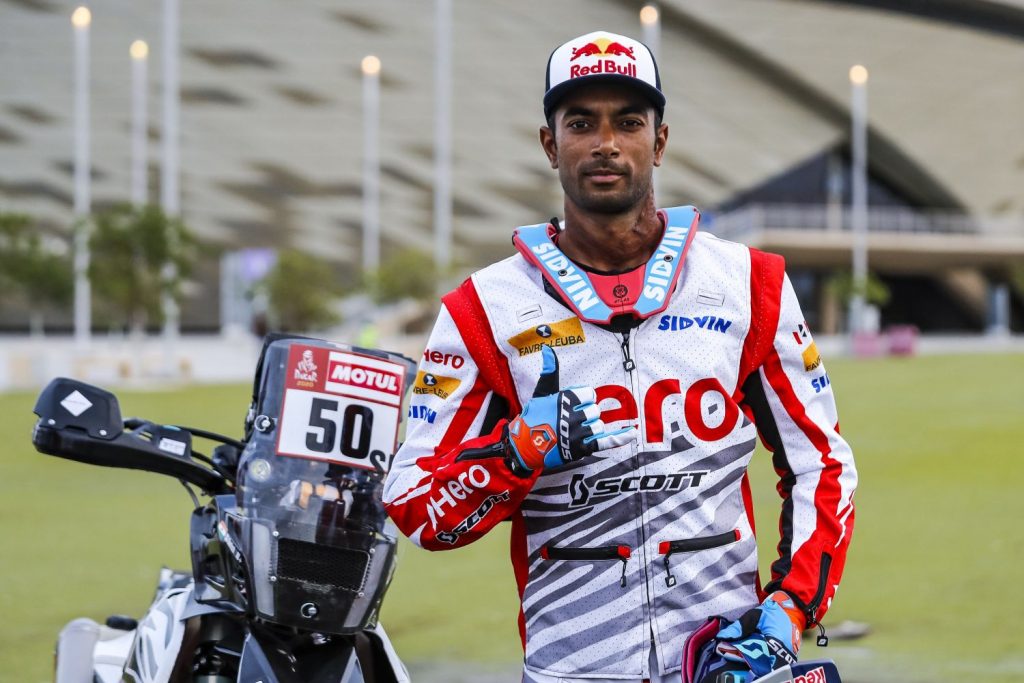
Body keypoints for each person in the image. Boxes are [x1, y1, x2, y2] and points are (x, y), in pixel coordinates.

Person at [382, 30, 856, 683]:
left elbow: (821, 461)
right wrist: (515, 452)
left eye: (628, 122)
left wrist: (792, 604)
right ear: (550, 144)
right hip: (571, 666)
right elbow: (414, 504)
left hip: (720, 660)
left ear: (659, 141)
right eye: (581, 123)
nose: (606, 142)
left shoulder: (750, 282)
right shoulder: (482, 308)